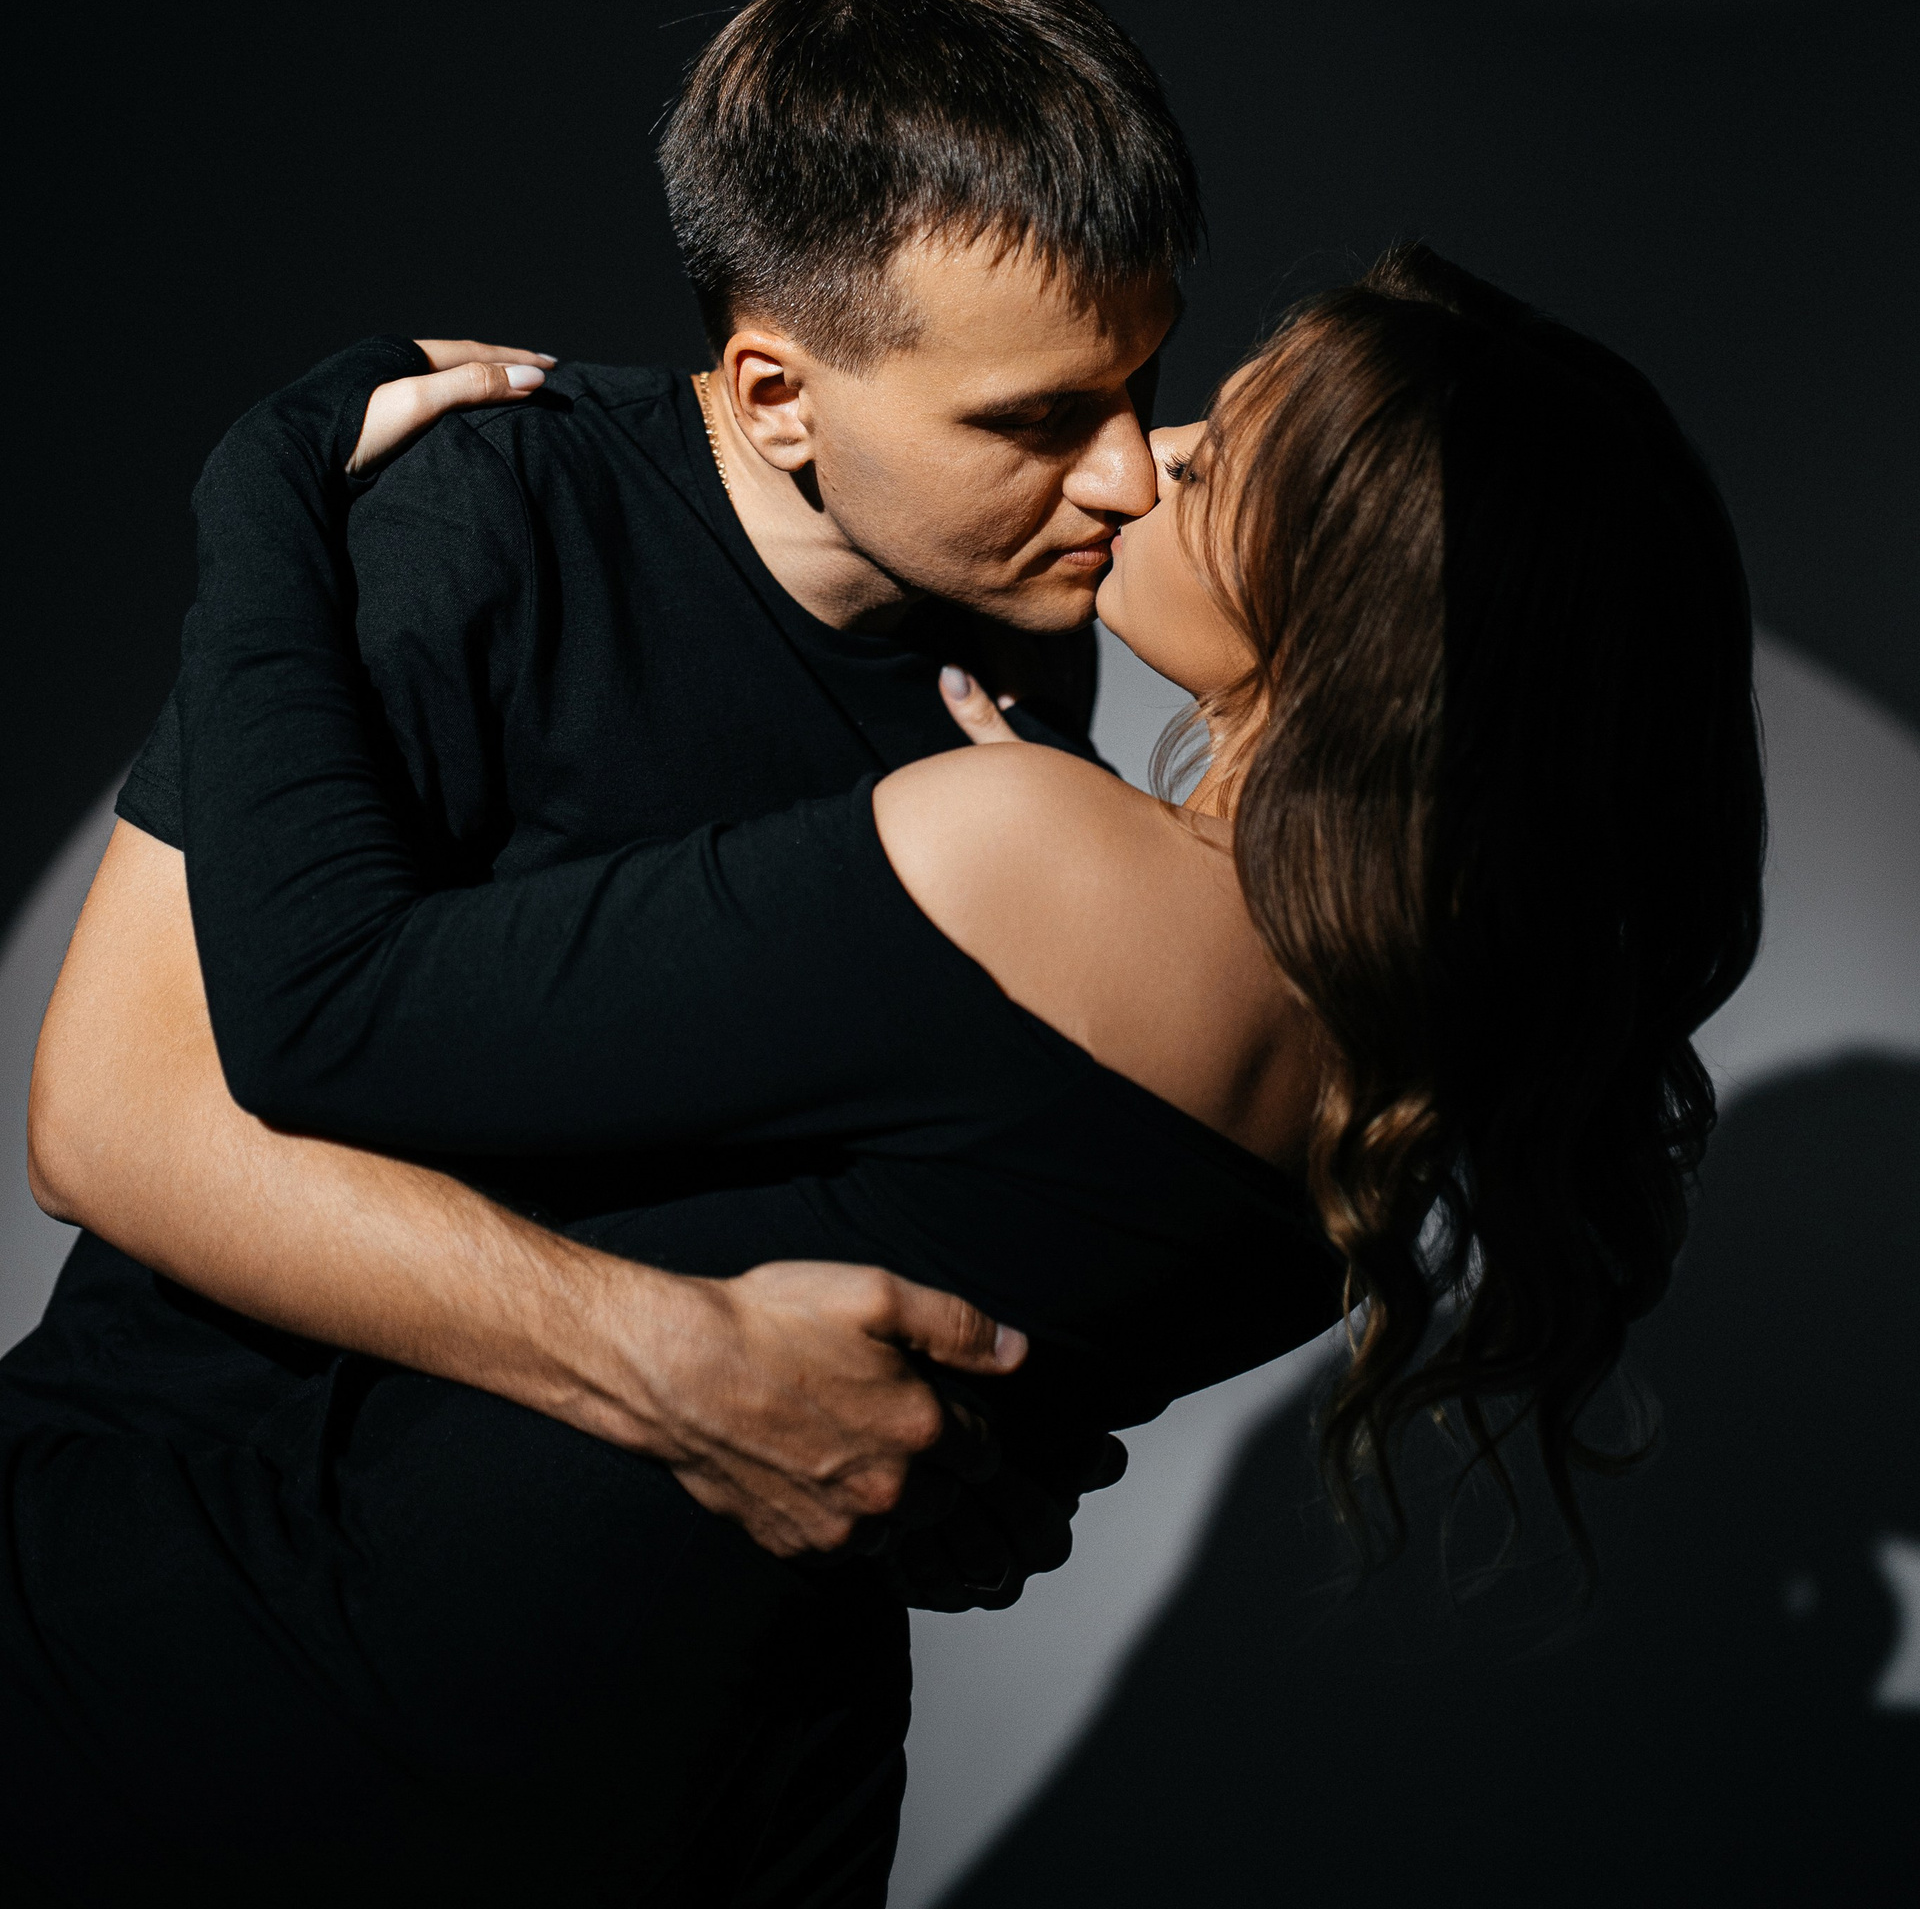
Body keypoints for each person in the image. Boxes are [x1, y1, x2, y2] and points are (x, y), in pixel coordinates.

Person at [8, 226, 1763, 1905]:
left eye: (1221, 460)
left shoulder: (1037, 851)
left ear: (1364, 618)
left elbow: (332, 1018)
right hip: (707, 1804)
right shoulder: (1382, 1079)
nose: (1143, 465)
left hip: (318, 1705)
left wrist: (268, 472)